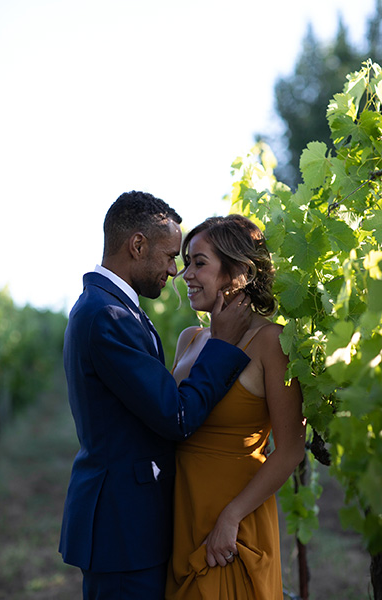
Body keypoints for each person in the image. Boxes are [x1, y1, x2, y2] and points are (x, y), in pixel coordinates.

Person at [59, 191, 254, 600]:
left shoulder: (113, 308)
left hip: (131, 524)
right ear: (137, 245)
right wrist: (224, 345)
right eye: (169, 256)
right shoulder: (107, 316)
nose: (174, 270)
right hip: (123, 530)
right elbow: (175, 416)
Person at [165, 214, 306, 600]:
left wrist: (231, 517)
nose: (186, 274)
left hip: (234, 523)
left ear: (238, 271)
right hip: (185, 513)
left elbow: (291, 448)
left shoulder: (270, 342)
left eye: (199, 262)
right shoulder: (189, 338)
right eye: (186, 262)